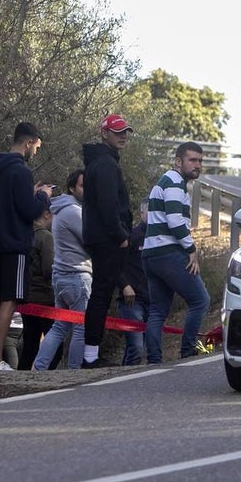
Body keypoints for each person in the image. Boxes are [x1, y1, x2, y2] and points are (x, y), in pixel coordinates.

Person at [0, 122, 52, 371]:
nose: (36, 152)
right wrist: (42, 195)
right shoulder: (21, 171)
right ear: (29, 142)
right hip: (14, 243)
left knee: (0, 301)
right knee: (9, 301)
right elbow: (30, 210)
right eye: (37, 146)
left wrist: (28, 193)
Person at [143, 141, 209, 363]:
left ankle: (153, 361)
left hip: (150, 254)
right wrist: (191, 249)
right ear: (178, 161)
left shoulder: (166, 181)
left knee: (157, 311)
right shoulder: (174, 182)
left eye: (200, 160)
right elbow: (174, 221)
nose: (197, 165)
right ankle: (188, 353)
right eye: (192, 160)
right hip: (168, 253)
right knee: (200, 300)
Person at [80, 114, 134, 368]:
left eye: (125, 132)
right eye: (117, 132)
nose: (122, 136)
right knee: (101, 295)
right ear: (104, 133)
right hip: (107, 239)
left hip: (99, 237)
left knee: (101, 294)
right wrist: (121, 235)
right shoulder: (106, 165)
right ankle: (90, 357)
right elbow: (108, 205)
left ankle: (90, 354)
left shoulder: (100, 162)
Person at [34, 169, 88, 370]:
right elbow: (91, 240)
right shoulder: (74, 211)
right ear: (72, 188)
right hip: (76, 275)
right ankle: (74, 371)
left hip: (61, 275)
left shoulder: (60, 210)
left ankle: (39, 368)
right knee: (81, 327)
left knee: (60, 325)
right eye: (83, 186)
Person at [18, 206, 55, 370]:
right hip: (45, 297)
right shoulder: (45, 237)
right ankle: (48, 375)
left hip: (26, 296)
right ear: (46, 215)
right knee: (54, 341)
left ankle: (22, 375)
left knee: (30, 343)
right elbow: (48, 268)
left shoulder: (23, 235)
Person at [118, 200, 150, 366]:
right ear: (142, 214)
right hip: (132, 300)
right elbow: (115, 263)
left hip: (153, 300)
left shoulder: (162, 238)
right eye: (149, 212)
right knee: (136, 348)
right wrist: (124, 285)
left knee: (147, 348)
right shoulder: (132, 236)